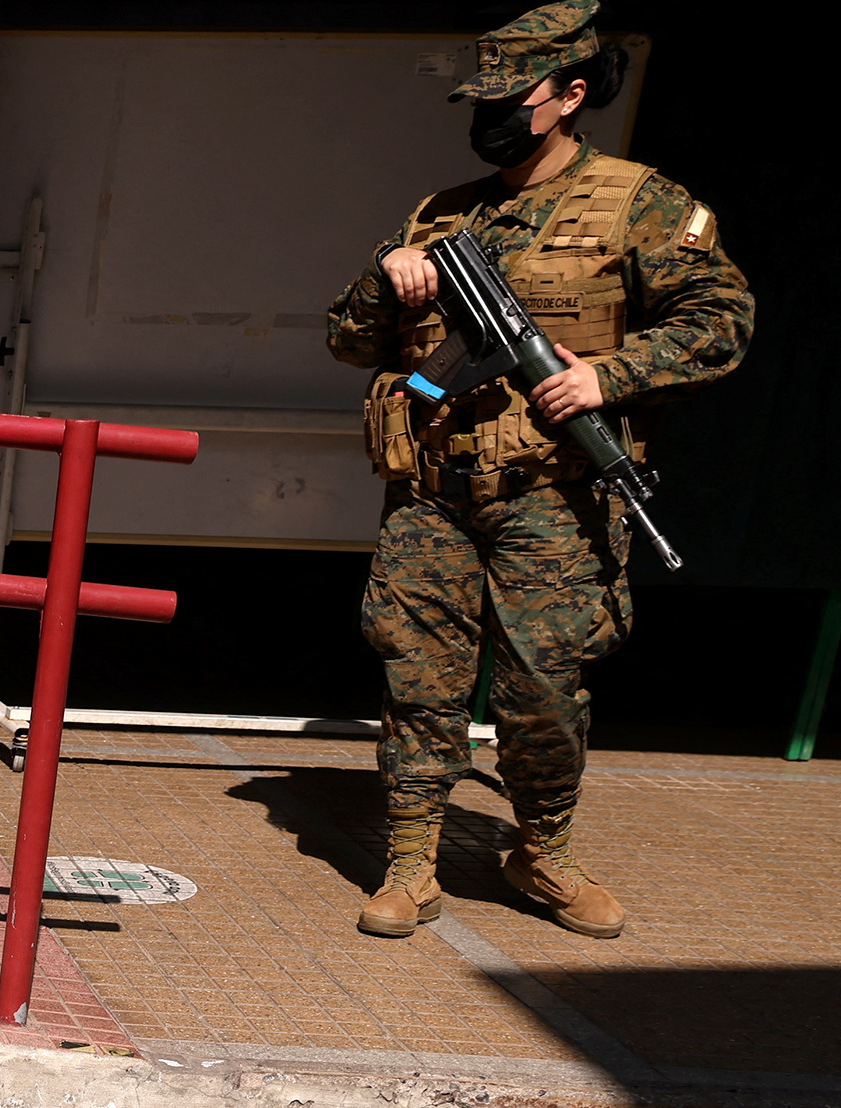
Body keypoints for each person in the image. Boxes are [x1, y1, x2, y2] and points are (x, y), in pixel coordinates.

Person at [326, 0, 750, 940]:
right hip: (434, 496)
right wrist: (385, 271)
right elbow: (351, 341)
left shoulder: (641, 203)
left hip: (553, 500)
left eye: (509, 97)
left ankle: (540, 852)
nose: (491, 116)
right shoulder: (442, 215)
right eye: (479, 99)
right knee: (417, 681)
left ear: (566, 94)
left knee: (544, 694)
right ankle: (410, 865)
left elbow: (722, 323)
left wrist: (611, 375)